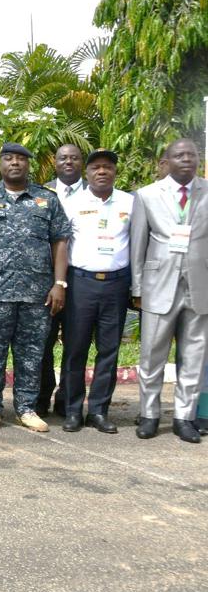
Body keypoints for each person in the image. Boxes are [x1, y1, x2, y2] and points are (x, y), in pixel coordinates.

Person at [0, 142, 70, 432]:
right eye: (8, 158)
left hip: (36, 293)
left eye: (21, 159)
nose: (15, 163)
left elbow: (60, 241)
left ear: (28, 165)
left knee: (32, 354)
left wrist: (59, 283)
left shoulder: (47, 199)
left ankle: (26, 408)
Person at [131, 138, 208, 444]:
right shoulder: (147, 195)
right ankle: (149, 415)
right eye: (180, 155)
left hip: (199, 285)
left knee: (194, 355)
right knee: (152, 355)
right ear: (167, 161)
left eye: (192, 154)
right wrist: (137, 287)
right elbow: (138, 244)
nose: (187, 159)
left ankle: (183, 418)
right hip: (158, 286)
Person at [60, 149, 132, 434]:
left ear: (115, 172)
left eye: (108, 167)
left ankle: (99, 411)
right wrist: (60, 283)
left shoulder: (130, 202)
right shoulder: (72, 203)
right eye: (96, 167)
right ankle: (72, 411)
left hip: (116, 284)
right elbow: (61, 244)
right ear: (87, 173)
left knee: (109, 350)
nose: (102, 171)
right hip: (81, 283)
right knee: (75, 349)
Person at [38, 144, 87, 417]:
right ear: (55, 163)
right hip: (45, 278)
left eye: (74, 158)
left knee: (75, 341)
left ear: (82, 162)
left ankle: (67, 399)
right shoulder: (41, 193)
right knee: (42, 341)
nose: (68, 162)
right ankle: (42, 396)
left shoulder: (94, 192)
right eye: (63, 158)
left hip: (80, 278)